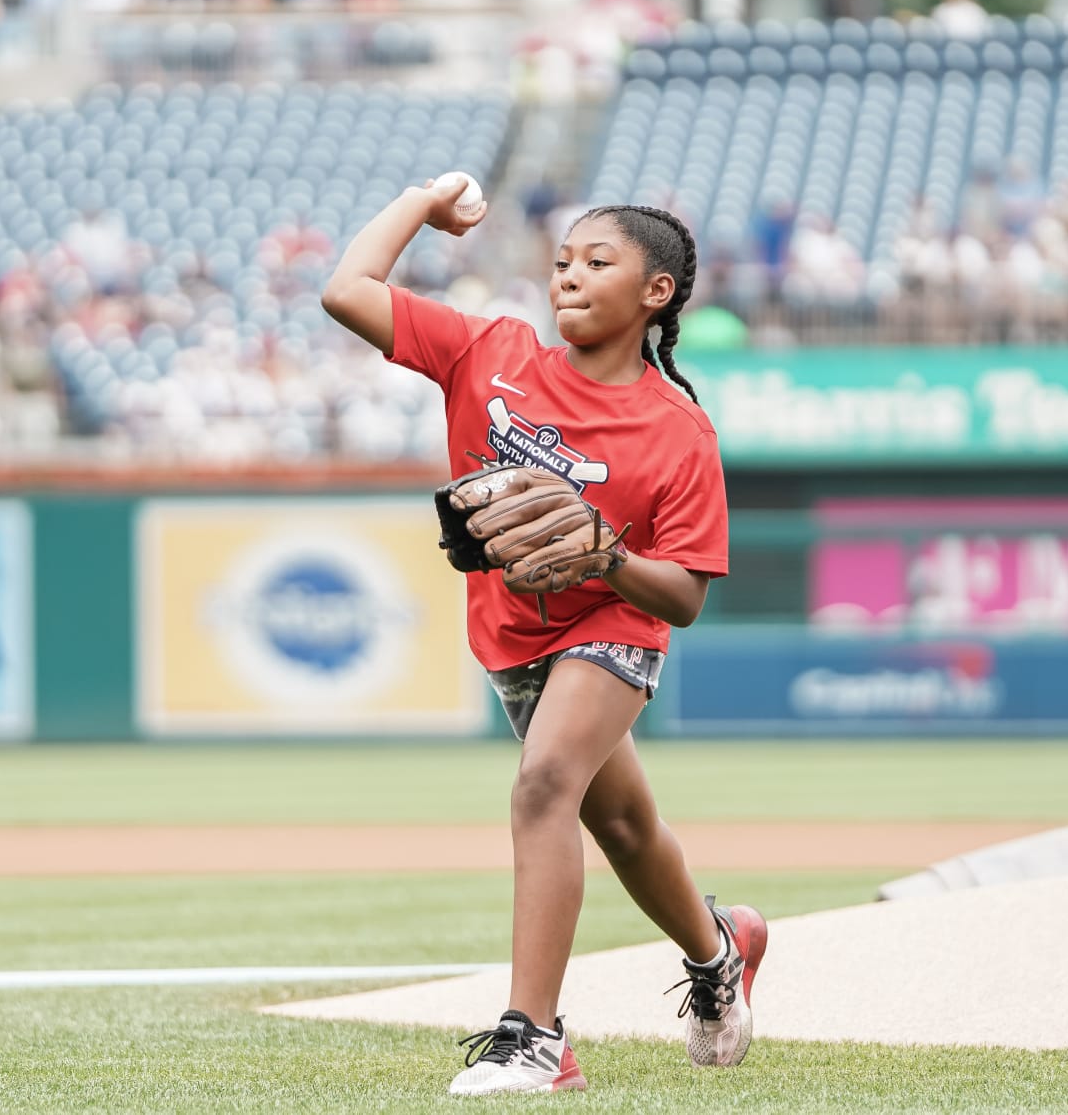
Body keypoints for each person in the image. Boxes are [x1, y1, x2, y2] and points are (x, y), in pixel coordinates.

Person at [322, 178, 762, 1096]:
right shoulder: (491, 353)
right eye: (562, 261)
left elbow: (681, 596)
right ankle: (722, 951)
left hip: (614, 620)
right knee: (625, 824)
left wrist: (606, 559)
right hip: (513, 631)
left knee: (544, 785)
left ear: (658, 293)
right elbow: (347, 290)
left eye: (599, 263)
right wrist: (418, 203)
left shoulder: (678, 432)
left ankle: (534, 1038)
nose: (569, 276)